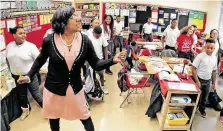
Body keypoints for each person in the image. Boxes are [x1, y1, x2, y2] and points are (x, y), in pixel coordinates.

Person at [17, 6, 126, 131]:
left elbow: (95, 63)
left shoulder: (85, 40)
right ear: (63, 21)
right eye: (73, 17)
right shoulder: (49, 41)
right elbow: (40, 60)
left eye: (78, 16)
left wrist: (112, 60)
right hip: (53, 89)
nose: (79, 19)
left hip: (75, 88)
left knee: (86, 118)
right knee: (54, 120)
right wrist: (29, 75)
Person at [6, 26, 43, 121]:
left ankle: (47, 109)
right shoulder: (10, 45)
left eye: (24, 33)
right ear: (14, 35)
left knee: (36, 94)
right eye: (20, 33)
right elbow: (7, 59)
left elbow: (39, 61)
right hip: (17, 76)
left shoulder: (30, 46)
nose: (24, 35)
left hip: (29, 75)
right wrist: (11, 72)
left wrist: (29, 75)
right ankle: (25, 111)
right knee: (22, 96)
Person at [192, 38, 217, 118]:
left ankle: (202, 109)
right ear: (205, 47)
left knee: (205, 98)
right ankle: (191, 110)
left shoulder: (215, 57)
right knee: (196, 97)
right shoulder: (200, 56)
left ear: (214, 48)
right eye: (208, 47)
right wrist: (197, 81)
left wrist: (213, 83)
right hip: (199, 79)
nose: (209, 50)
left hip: (208, 81)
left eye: (211, 48)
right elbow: (193, 68)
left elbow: (214, 71)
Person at [89, 26, 109, 94]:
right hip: (90, 60)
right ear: (93, 33)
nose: (98, 36)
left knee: (101, 74)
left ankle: (102, 87)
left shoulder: (102, 38)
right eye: (97, 35)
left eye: (99, 35)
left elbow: (105, 48)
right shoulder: (89, 38)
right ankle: (91, 89)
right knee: (90, 75)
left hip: (99, 59)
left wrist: (106, 60)